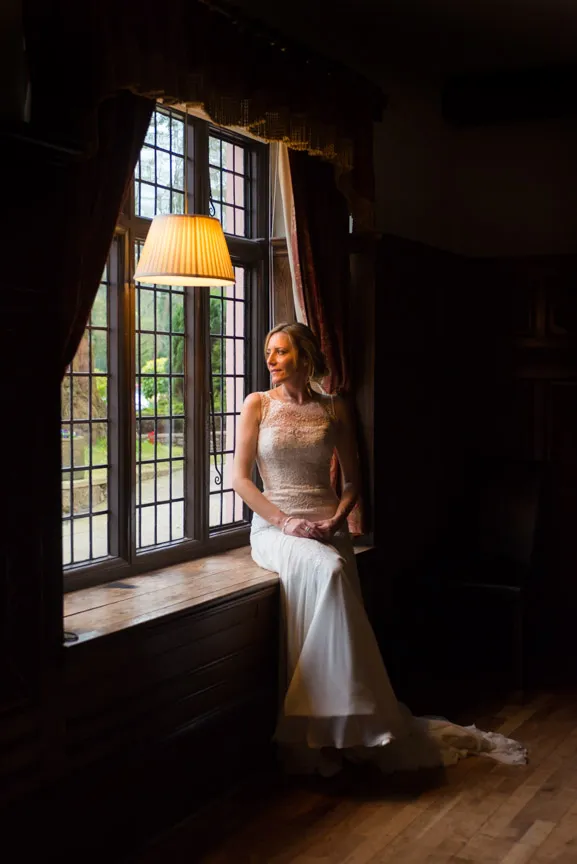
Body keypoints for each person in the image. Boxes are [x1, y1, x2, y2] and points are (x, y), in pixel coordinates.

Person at [232, 322, 527, 776]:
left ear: (305, 357)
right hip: (276, 530)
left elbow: (352, 482)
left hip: (329, 528)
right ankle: (313, 730)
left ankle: (349, 727)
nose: (270, 359)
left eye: (280, 352)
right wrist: (287, 522)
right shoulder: (257, 405)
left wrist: (335, 520)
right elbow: (242, 481)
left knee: (332, 567)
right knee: (327, 572)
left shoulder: (334, 408)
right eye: (269, 351)